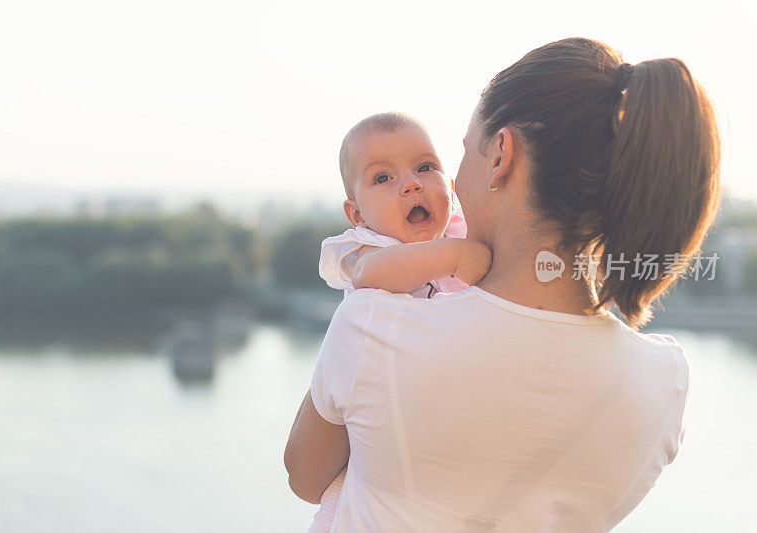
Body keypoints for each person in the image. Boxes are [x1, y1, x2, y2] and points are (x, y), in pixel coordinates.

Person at [285, 37, 720, 532]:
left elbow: (304, 477)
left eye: (461, 152)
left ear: (501, 156)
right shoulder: (666, 383)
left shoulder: (374, 327)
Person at [310, 112, 493, 532]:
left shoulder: (466, 229)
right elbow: (370, 274)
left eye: (425, 168)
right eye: (382, 179)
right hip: (385, 426)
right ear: (356, 214)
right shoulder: (366, 248)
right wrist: (456, 257)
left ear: (451, 186)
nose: (411, 183)